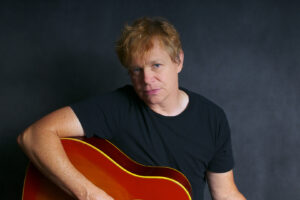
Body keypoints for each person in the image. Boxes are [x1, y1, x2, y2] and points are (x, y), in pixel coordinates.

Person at [18, 17, 246, 200]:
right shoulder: (118, 107)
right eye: (136, 70)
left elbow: (225, 193)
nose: (147, 79)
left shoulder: (212, 119)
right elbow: (33, 136)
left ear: (178, 61)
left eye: (156, 65)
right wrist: (89, 193)